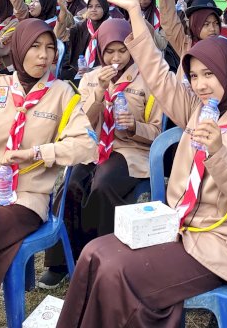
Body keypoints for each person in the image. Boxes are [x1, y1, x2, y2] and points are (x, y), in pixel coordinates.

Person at [57, 0, 227, 328]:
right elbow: (158, 74)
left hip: (218, 245)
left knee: (118, 273)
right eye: (194, 76)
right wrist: (134, 14)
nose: (201, 84)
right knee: (93, 254)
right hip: (175, 227)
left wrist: (219, 154)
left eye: (210, 74)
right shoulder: (198, 109)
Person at [0, 19, 97, 327]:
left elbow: (86, 147)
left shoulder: (63, 93)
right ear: (20, 48)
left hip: (26, 195)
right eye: (35, 47)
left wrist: (37, 153)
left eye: (50, 48)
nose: (43, 56)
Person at [40, 18, 163, 287]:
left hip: (129, 149)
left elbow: (158, 131)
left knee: (103, 185)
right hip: (94, 147)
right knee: (71, 185)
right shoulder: (90, 78)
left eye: (122, 50)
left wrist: (135, 126)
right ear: (100, 50)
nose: (116, 58)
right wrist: (99, 94)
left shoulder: (149, 80)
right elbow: (81, 124)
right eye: (110, 51)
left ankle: (105, 261)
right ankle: (62, 261)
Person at [56, 0, 110, 81]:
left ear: (105, 7)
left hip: (103, 74)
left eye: (98, 6)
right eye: (90, 6)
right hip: (79, 71)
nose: (93, 10)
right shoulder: (82, 26)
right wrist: (63, 11)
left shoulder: (111, 28)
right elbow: (60, 35)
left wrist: (93, 71)